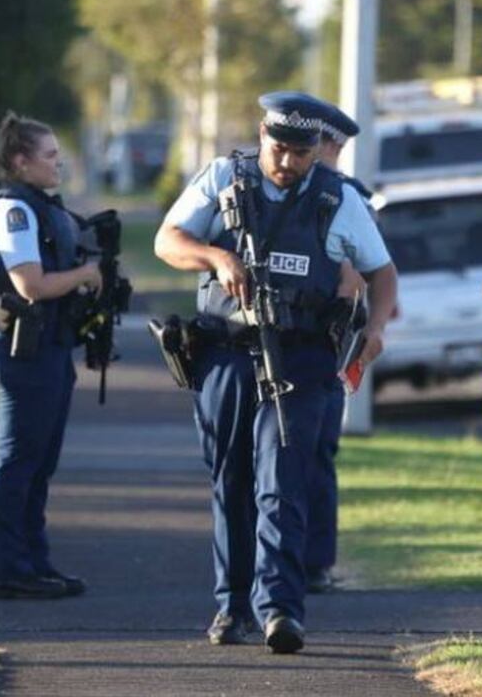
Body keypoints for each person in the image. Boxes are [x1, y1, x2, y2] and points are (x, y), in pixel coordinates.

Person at [154, 93, 398, 653]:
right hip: (226, 352)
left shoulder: (337, 198)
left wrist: (377, 328)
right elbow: (168, 240)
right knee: (231, 480)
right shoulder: (222, 177)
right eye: (280, 149)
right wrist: (217, 258)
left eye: (302, 154)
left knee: (282, 484)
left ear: (319, 150)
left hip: (302, 357)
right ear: (262, 132)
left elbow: (382, 273)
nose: (288, 163)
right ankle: (231, 606)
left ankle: (281, 611)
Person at [0, 112, 102, 600]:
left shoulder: (37, 205)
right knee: (18, 460)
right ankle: (7, 570)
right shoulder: (11, 211)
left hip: (47, 348)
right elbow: (31, 284)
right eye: (49, 157)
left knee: (38, 463)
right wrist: (85, 275)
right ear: (20, 161)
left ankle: (34, 563)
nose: (58, 165)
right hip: (23, 349)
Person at [305, 96, 369, 594]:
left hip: (325, 341)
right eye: (333, 143)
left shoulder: (344, 197)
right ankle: (303, 561)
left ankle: (314, 562)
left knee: (317, 453)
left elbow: (360, 276)